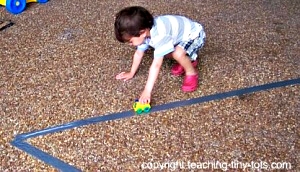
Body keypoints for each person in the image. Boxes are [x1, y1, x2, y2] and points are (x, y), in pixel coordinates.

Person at [114, 6, 206, 104]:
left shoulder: (160, 36)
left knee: (177, 54)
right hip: (179, 38)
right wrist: (131, 72)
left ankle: (191, 71)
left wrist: (147, 91)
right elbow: (138, 53)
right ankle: (185, 60)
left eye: (130, 41)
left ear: (142, 32)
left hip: (195, 35)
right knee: (163, 51)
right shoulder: (145, 29)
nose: (130, 44)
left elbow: (156, 65)